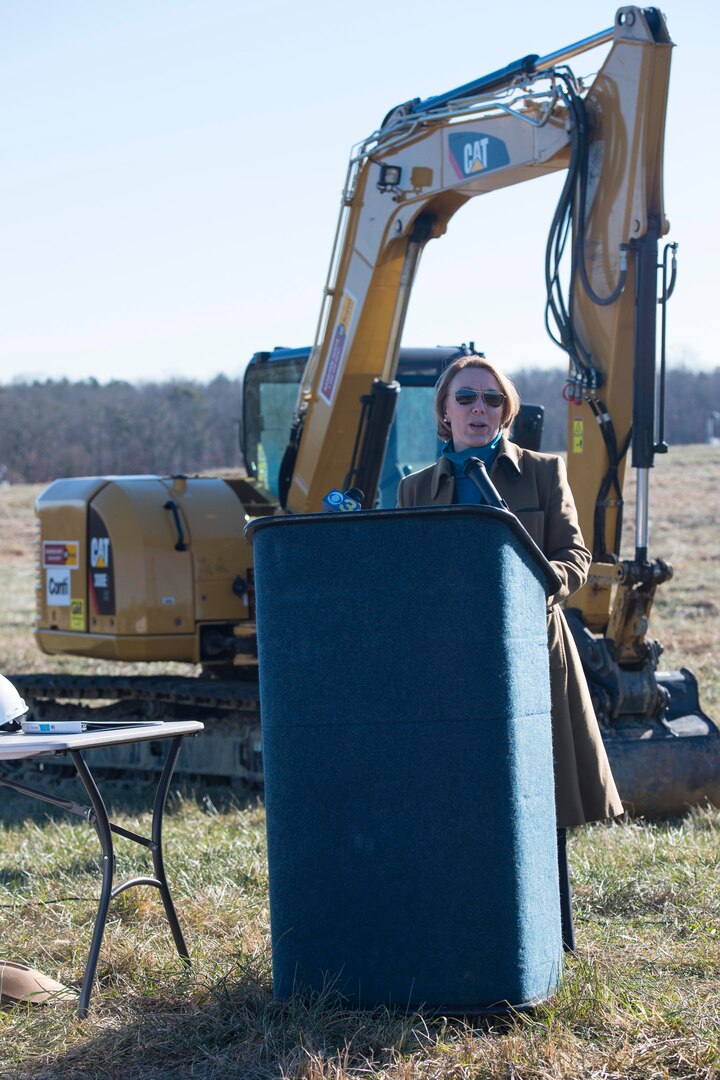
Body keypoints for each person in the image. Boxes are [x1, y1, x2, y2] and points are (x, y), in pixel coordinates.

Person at [397, 354, 624, 947]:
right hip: (451, 665)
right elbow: (406, 576)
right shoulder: (414, 489)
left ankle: (553, 935)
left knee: (542, 799)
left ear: (508, 410)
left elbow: (575, 557)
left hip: (532, 656)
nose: (479, 409)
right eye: (466, 398)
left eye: (492, 399)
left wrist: (537, 582)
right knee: (462, 798)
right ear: (444, 411)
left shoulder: (544, 472)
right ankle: (471, 927)